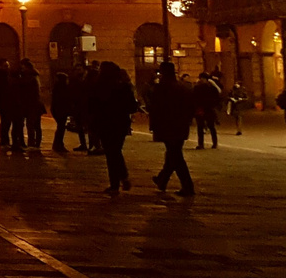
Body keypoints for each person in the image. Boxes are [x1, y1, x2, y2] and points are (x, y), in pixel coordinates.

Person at [89, 62, 138, 195]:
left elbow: (93, 106)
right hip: (121, 124)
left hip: (105, 123)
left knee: (112, 153)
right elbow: (132, 107)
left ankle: (116, 183)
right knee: (115, 151)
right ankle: (122, 178)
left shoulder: (98, 87)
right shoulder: (123, 88)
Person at [148, 62, 195, 195]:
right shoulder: (183, 87)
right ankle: (162, 179)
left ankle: (187, 186)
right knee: (173, 153)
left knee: (175, 156)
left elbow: (156, 108)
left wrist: (154, 126)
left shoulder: (161, 88)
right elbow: (190, 106)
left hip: (167, 126)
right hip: (181, 126)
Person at [15, 59, 44, 148]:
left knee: (31, 124)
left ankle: (32, 142)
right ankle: (35, 143)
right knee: (35, 125)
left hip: (31, 104)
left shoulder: (30, 77)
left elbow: (24, 87)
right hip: (34, 104)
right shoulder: (34, 76)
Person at [191, 72, 223, 150]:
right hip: (209, 108)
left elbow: (194, 97)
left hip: (201, 109)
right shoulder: (211, 87)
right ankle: (214, 143)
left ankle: (201, 144)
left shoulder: (198, 87)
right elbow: (218, 94)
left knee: (201, 127)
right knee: (211, 127)